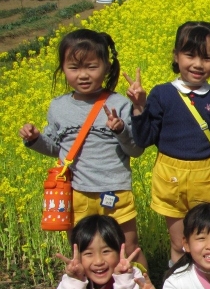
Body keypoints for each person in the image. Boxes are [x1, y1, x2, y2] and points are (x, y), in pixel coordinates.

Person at [19, 29, 147, 268]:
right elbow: (57, 149)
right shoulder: (58, 107)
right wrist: (35, 139)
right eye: (74, 68)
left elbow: (135, 150)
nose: (83, 75)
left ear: (106, 67)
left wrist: (120, 129)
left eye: (91, 67)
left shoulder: (119, 104)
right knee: (82, 250)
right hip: (76, 192)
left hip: (115, 191)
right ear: (62, 69)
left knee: (128, 248)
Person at [126, 21, 210, 264]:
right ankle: (176, 285)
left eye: (207, 58)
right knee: (179, 244)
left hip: (207, 177)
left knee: (208, 245)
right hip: (171, 176)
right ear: (176, 56)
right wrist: (139, 107)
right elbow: (145, 138)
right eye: (190, 55)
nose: (198, 64)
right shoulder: (162, 94)